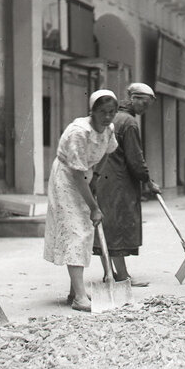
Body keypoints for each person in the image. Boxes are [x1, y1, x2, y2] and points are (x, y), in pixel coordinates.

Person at [44, 89, 119, 312]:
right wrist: (94, 207)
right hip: (66, 179)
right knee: (76, 233)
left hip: (85, 176)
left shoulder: (109, 129)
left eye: (112, 112)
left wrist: (96, 176)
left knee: (85, 234)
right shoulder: (79, 132)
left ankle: (74, 291)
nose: (107, 117)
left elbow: (108, 152)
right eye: (103, 112)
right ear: (92, 112)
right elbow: (76, 174)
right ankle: (79, 297)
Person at [92, 83, 161, 287]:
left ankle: (109, 273)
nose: (144, 108)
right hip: (120, 182)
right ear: (133, 99)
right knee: (119, 228)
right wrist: (148, 181)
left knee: (108, 227)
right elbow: (135, 159)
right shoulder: (129, 122)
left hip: (103, 178)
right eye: (144, 103)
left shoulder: (112, 118)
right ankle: (122, 277)